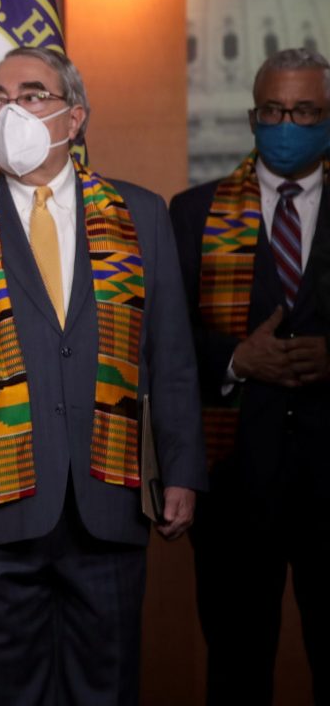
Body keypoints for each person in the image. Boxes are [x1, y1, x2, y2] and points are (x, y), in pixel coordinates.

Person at [0, 47, 206, 704]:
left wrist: (180, 470)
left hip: (110, 494)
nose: (11, 110)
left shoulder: (141, 214)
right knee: (2, 689)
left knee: (108, 684)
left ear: (75, 117)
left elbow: (172, 357)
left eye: (32, 94)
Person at [170, 48, 330, 705]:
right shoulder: (193, 212)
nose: (287, 123)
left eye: (305, 111)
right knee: (236, 669)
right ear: (252, 117)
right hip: (236, 482)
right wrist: (238, 359)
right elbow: (168, 345)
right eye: (273, 110)